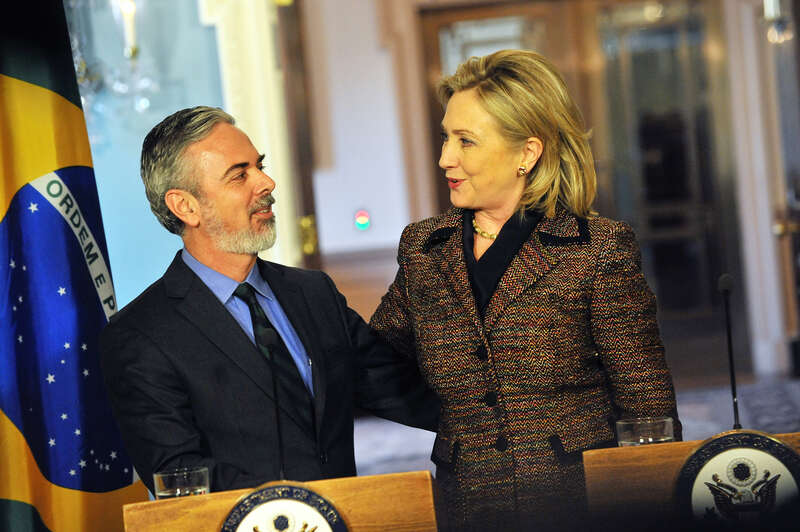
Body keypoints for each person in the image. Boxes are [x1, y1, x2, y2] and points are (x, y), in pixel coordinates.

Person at [370, 50, 682, 530]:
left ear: (527, 153)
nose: (445, 157)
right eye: (445, 137)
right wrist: (457, 419)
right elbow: (375, 363)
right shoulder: (424, 249)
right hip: (469, 508)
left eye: (466, 141)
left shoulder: (597, 249)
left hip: (582, 507)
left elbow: (646, 405)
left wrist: (653, 502)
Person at [100, 106, 437, 495]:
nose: (267, 182)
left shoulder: (314, 293)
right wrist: (298, 509)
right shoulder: (139, 336)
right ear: (185, 207)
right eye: (239, 174)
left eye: (259, 166)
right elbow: (181, 476)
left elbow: (402, 390)